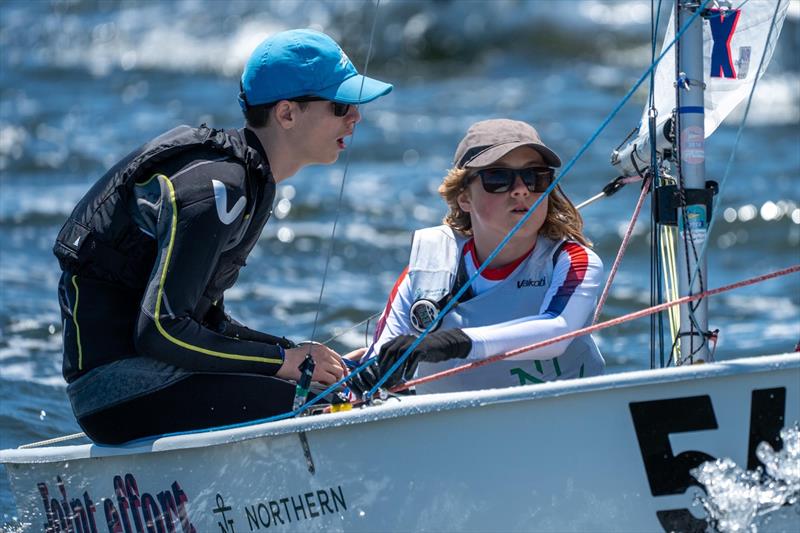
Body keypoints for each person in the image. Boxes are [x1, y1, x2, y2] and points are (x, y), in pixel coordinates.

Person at [54, 29, 392, 444]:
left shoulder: (247, 178)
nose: (355, 117)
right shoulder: (220, 188)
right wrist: (281, 361)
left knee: (342, 387)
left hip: (156, 375)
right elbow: (161, 329)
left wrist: (302, 356)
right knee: (331, 407)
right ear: (287, 114)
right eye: (341, 105)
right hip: (119, 389)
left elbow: (207, 324)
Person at [350, 118, 604, 395]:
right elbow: (377, 368)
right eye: (498, 178)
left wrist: (452, 343)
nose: (521, 189)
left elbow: (557, 333)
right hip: (451, 430)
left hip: (566, 423)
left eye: (535, 177)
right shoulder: (425, 271)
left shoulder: (572, 261)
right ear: (464, 197)